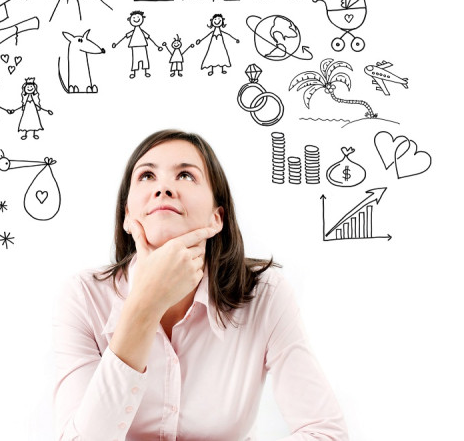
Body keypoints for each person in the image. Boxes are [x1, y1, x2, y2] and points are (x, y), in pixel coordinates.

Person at [53, 130, 348, 440]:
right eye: (147, 175)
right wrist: (145, 304)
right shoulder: (83, 296)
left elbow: (324, 431)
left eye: (185, 175)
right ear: (127, 216)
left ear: (216, 218)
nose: (163, 188)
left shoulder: (265, 295)